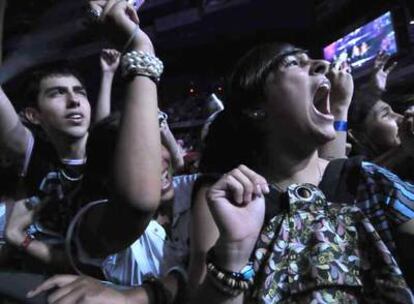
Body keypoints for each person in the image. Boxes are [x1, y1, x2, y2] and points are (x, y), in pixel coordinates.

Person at [188, 42, 414, 303]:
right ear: (255, 108)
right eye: (292, 63)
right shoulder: (231, 199)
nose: (322, 64)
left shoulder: (366, 181)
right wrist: (234, 253)